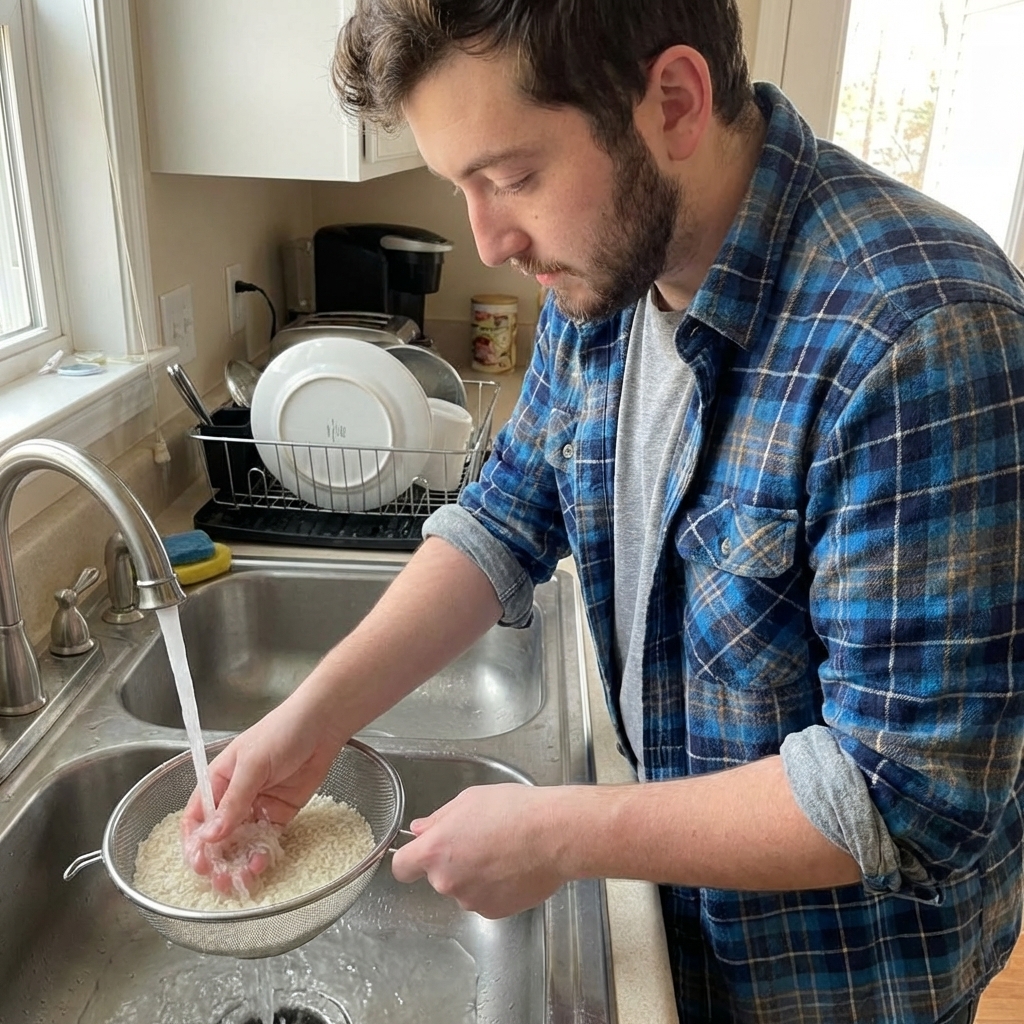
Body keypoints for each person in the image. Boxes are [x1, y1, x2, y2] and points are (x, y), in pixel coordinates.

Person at [182, 2, 1024, 1021]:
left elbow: (903, 792)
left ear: (672, 103)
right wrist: (308, 722)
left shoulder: (921, 334)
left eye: (511, 176)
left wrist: (560, 832)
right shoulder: (609, 275)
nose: (488, 240)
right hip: (678, 922)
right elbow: (504, 515)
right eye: (463, 187)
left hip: (839, 982)